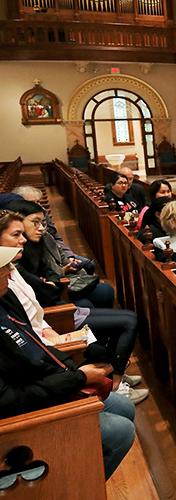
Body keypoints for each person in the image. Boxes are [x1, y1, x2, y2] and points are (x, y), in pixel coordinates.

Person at [0, 246, 135, 479]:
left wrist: (73, 372)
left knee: (125, 407)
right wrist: (78, 378)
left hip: (52, 381)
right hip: (26, 414)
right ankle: (77, 486)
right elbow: (9, 400)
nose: (10, 275)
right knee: (121, 432)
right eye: (2, 270)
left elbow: (38, 343)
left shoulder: (4, 299)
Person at [0, 210, 147, 404]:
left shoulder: (12, 266)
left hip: (48, 327)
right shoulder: (9, 273)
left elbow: (44, 288)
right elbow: (44, 295)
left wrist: (47, 328)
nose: (24, 239)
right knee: (117, 327)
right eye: (16, 234)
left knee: (116, 312)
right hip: (48, 336)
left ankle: (113, 377)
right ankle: (114, 383)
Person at [6, 200, 114, 309]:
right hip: (50, 303)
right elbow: (44, 289)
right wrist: (55, 277)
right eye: (35, 222)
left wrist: (57, 275)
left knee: (105, 291)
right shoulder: (15, 255)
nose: (41, 228)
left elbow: (50, 271)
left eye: (42, 222)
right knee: (89, 302)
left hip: (58, 288)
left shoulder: (41, 240)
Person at [11, 186, 95, 274]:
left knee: (88, 265)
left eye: (38, 202)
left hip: (58, 252)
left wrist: (68, 256)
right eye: (33, 203)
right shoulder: (21, 229)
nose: (38, 206)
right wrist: (62, 269)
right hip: (50, 262)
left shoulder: (42, 212)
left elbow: (56, 237)